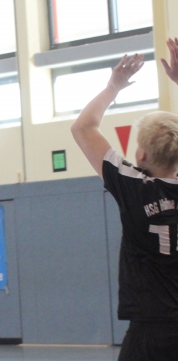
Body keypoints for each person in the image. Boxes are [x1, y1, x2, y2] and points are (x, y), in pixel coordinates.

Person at [71, 53, 178, 361]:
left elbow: (83, 127)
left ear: (141, 155)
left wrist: (113, 86)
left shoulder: (134, 188)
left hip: (148, 331)